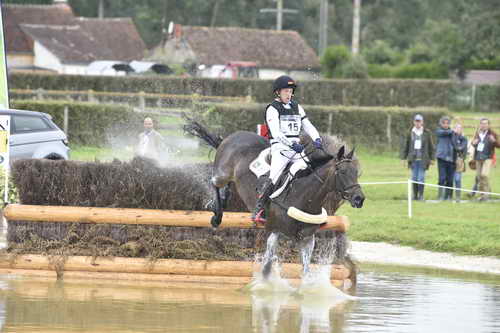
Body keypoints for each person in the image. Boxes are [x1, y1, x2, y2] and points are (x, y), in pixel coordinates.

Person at [251, 75, 322, 224]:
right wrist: (291, 145)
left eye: (290, 91)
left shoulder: (297, 107)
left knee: (310, 171)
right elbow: (276, 133)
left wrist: (317, 138)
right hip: (280, 149)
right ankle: (260, 209)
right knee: (275, 177)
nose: (289, 95)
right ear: (278, 92)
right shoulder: (272, 109)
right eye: (286, 92)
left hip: (296, 150)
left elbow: (307, 125)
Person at [400, 114, 435, 200]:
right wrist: (403, 158)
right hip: (413, 160)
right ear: (414, 122)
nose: (417, 123)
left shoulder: (427, 133)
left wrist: (432, 158)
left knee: (421, 178)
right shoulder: (410, 132)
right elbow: (406, 145)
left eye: (419, 121)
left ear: (422, 122)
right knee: (414, 178)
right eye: (416, 121)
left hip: (423, 159)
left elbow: (431, 146)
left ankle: (421, 196)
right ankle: (415, 196)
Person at [471, 118, 500, 201]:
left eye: (486, 123)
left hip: (488, 158)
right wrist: (473, 143)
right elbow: (473, 143)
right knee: (479, 177)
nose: (484, 125)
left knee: (484, 175)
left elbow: (498, 145)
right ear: (480, 125)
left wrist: (494, 141)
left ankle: (486, 194)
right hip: (478, 157)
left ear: (488, 125)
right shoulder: (477, 133)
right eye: (482, 123)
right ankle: (483, 195)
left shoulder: (492, 133)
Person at [435, 116, 455, 200]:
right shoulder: (439, 131)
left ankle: (449, 196)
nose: (446, 125)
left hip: (451, 158)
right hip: (441, 158)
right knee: (442, 178)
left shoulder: (453, 133)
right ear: (441, 124)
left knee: (450, 179)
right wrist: (453, 131)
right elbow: (445, 133)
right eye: (444, 123)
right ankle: (440, 196)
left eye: (447, 123)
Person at [452, 123, 468, 202]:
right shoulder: (452, 137)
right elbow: (454, 145)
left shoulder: (464, 138)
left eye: (460, 128)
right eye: (457, 128)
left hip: (459, 160)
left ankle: (458, 196)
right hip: (450, 160)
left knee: (457, 179)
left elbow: (461, 148)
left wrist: (461, 158)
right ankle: (448, 196)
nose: (458, 129)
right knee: (449, 179)